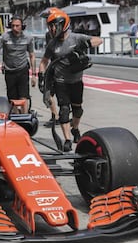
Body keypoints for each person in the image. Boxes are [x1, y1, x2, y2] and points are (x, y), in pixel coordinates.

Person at [39, 9, 102, 152]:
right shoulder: (52, 44)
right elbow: (44, 61)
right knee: (64, 111)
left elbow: (99, 40)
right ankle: (67, 139)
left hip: (76, 81)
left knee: (78, 110)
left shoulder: (76, 38)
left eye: (54, 26)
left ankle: (75, 128)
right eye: (50, 26)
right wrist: (41, 75)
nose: (52, 29)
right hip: (60, 82)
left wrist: (86, 45)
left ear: (63, 24)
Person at [0, 14, 36, 114]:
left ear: (22, 26)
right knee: (12, 98)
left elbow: (32, 56)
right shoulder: (5, 37)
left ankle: (25, 116)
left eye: (17, 26)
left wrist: (34, 75)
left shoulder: (28, 38)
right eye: (13, 26)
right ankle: (16, 117)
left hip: (23, 70)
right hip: (9, 71)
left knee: (24, 96)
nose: (15, 28)